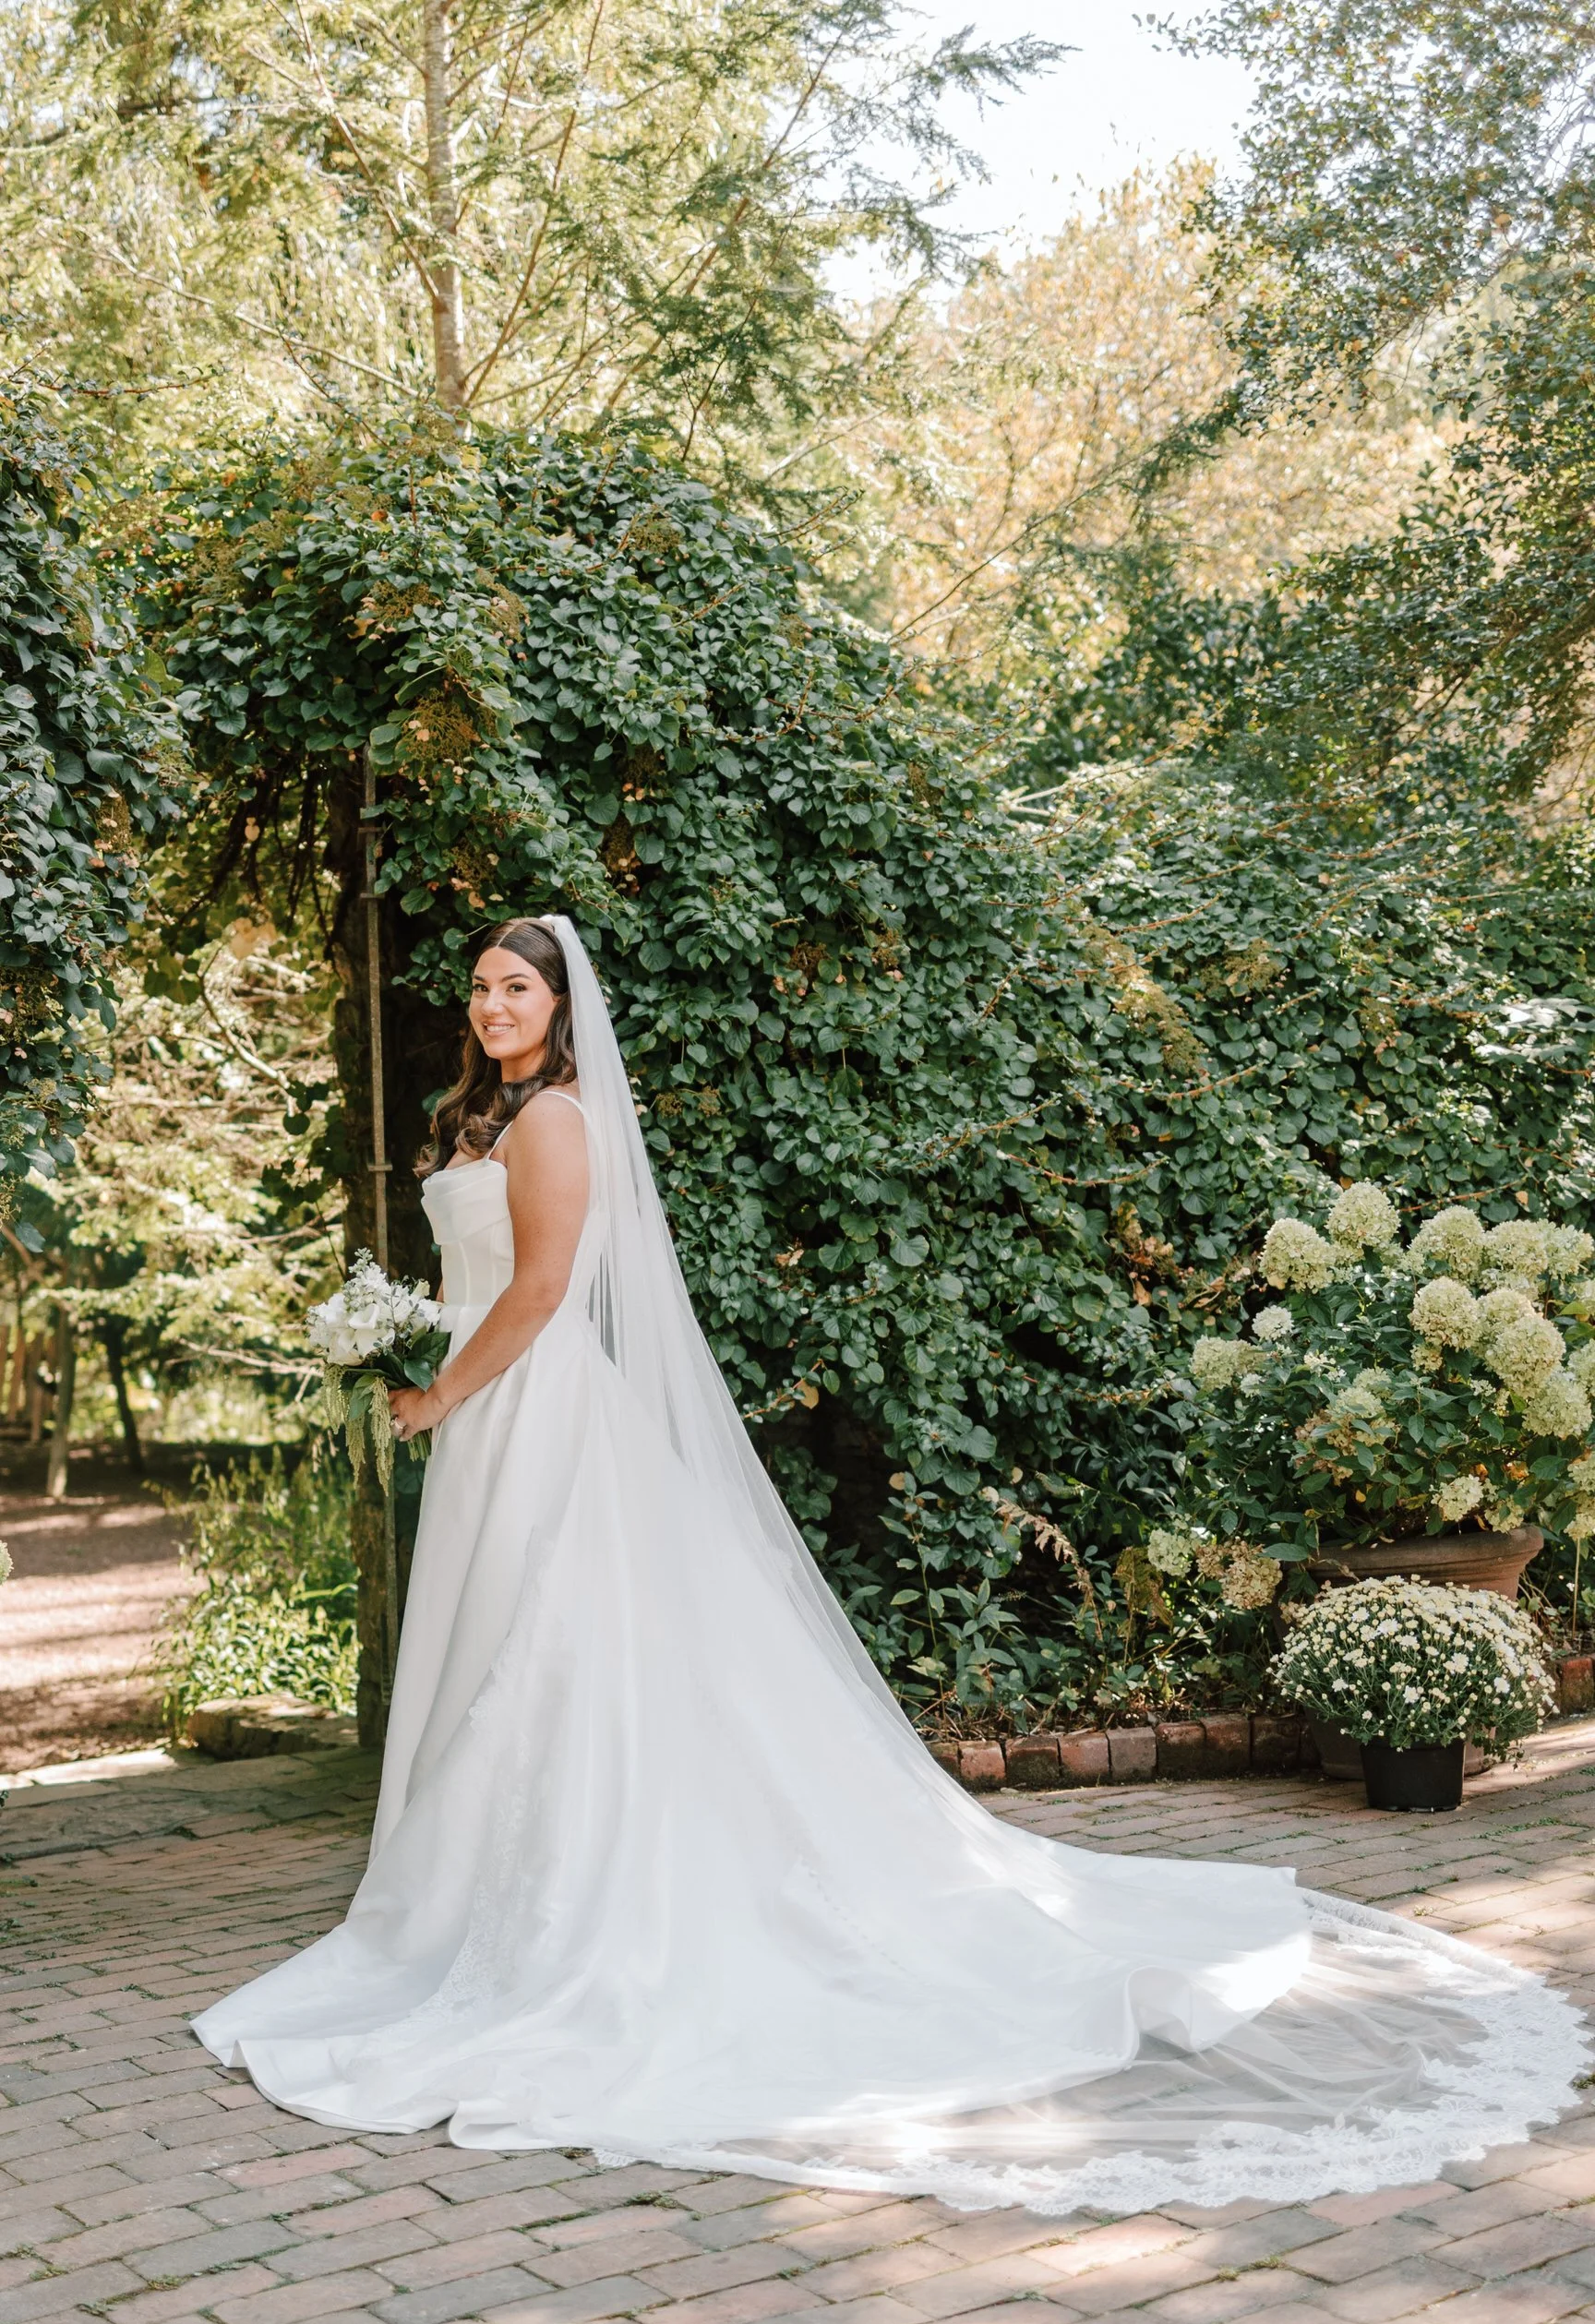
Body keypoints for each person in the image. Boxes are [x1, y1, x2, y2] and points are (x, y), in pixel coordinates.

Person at [194, 916, 1587, 2213]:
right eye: (485, 989)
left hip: (537, 1413)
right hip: (495, 1416)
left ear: (562, 1012)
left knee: (563, 1653)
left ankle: (577, 1908)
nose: (496, 1006)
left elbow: (544, 1292)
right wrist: (414, 1360)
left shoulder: (554, 1118)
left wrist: (438, 1395)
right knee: (518, 1652)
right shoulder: (482, 1114)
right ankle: (481, 1901)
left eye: (520, 989)